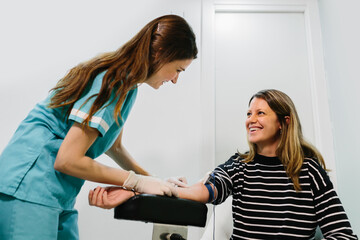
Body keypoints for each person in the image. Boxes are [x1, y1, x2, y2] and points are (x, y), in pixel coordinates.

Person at [0, 14, 197, 240]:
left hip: (57, 192)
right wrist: (136, 182)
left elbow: (115, 146)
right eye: (178, 70)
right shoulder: (112, 80)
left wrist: (153, 181)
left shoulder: (128, 87)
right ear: (161, 54)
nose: (175, 80)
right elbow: (68, 159)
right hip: (29, 184)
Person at [90, 89, 358, 239]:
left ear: (283, 122)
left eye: (260, 113)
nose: (250, 119)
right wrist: (138, 188)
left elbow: (343, 234)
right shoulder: (240, 166)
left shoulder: (309, 171)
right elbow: (203, 191)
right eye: (248, 113)